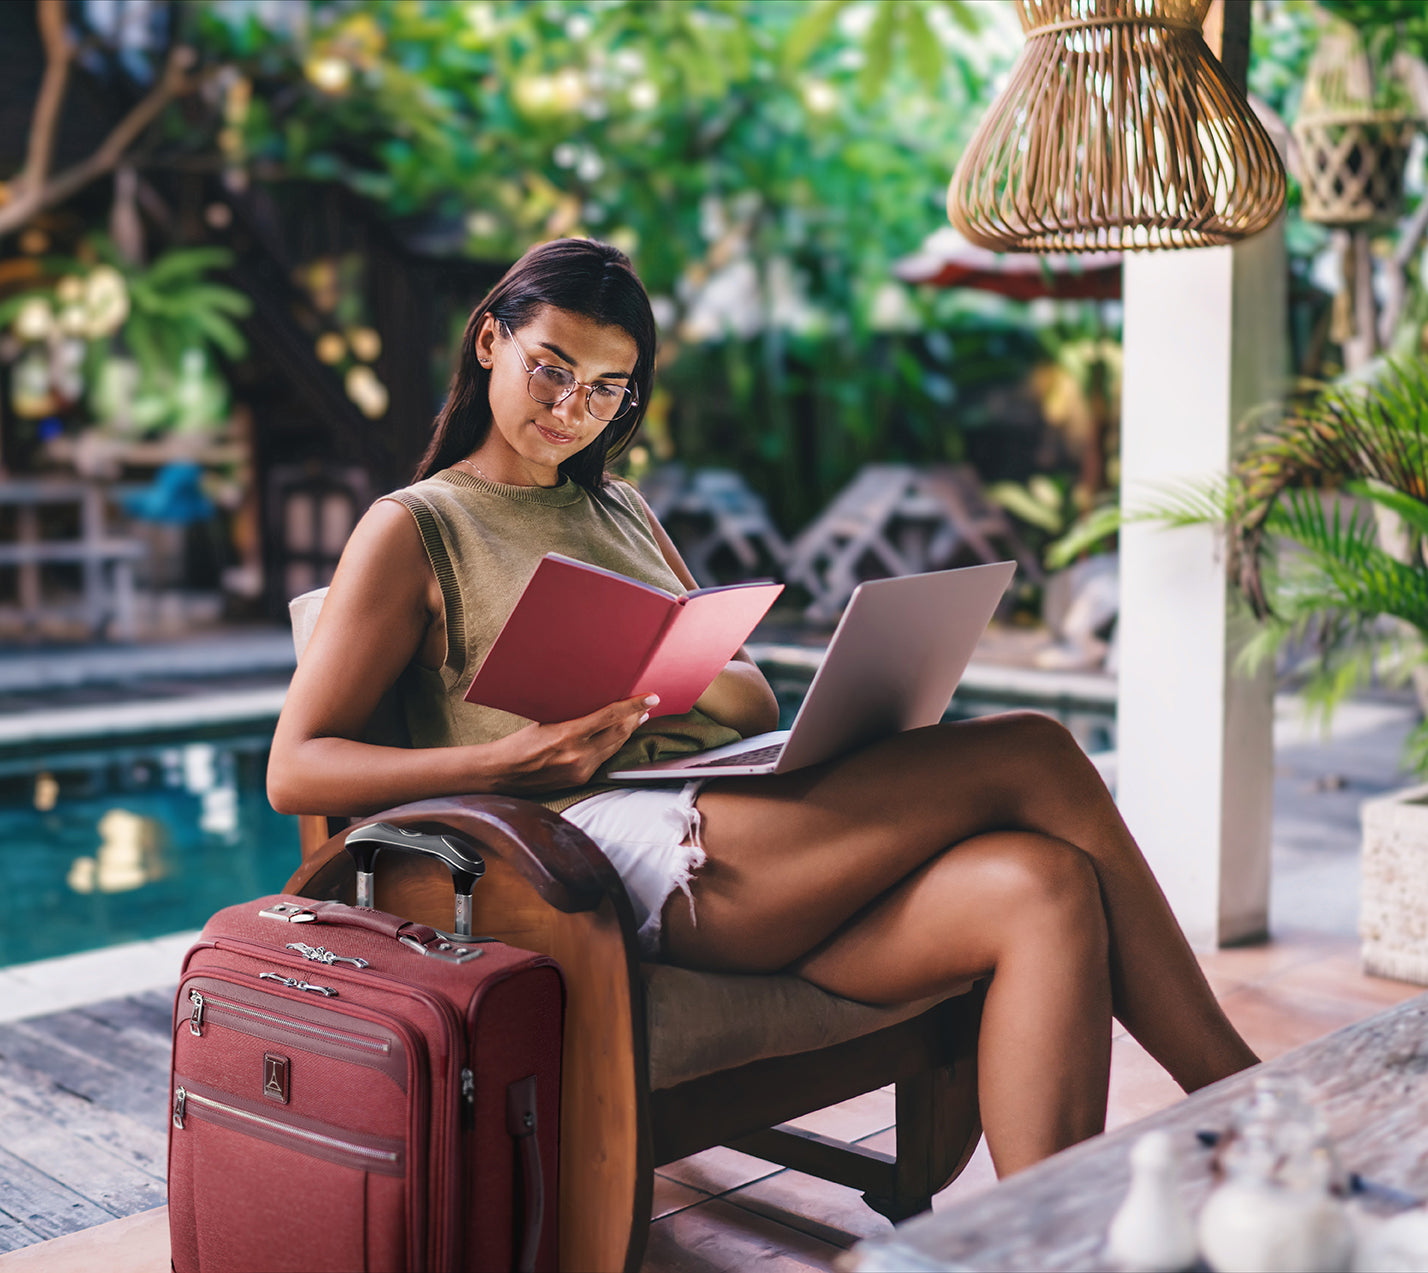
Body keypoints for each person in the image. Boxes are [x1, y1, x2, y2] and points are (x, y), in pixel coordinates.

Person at [268, 237, 1259, 1178]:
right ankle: (1244, 1094)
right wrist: (510, 762)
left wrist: (660, 685)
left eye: (609, 388)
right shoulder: (415, 526)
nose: (575, 408)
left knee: (1041, 883)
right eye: (552, 369)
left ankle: (1045, 1237)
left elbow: (743, 688)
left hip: (714, 800)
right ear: (490, 340)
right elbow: (297, 769)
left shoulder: (621, 507)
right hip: (583, 844)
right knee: (1034, 751)